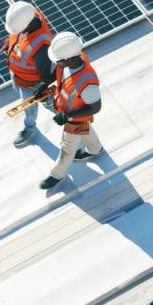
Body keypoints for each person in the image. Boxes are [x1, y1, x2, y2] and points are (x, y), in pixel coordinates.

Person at [40, 32, 104, 190]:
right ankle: (96, 149)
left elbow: (95, 107)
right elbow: (59, 73)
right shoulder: (71, 59)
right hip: (72, 114)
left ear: (70, 59)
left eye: (59, 61)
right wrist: (45, 84)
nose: (57, 64)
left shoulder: (87, 82)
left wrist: (67, 115)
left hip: (75, 117)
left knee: (67, 148)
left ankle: (57, 175)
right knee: (85, 130)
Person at [0, 1, 54, 147]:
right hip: (17, 75)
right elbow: (19, 38)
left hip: (30, 84)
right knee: (17, 89)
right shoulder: (27, 15)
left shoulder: (41, 45)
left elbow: (48, 73)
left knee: (29, 108)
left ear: (27, 25)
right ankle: (46, 100)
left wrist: (41, 89)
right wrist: (8, 43)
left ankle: (30, 128)